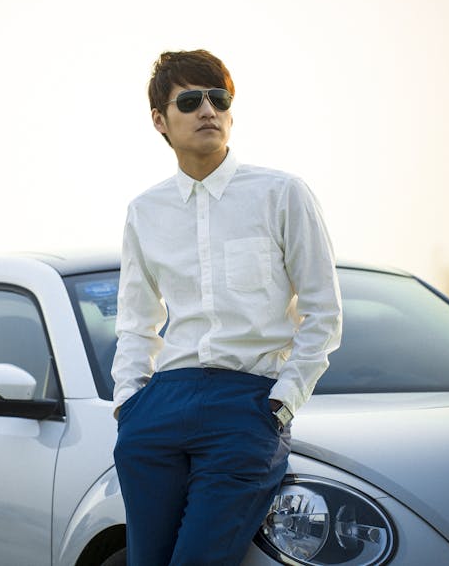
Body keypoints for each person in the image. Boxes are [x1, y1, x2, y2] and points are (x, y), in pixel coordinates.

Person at [111, 50, 343, 566]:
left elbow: (323, 313)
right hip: (159, 408)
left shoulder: (282, 194)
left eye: (219, 99)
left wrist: (283, 402)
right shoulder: (144, 212)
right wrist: (129, 402)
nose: (208, 111)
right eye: (190, 101)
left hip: (246, 404)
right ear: (160, 121)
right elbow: (135, 321)